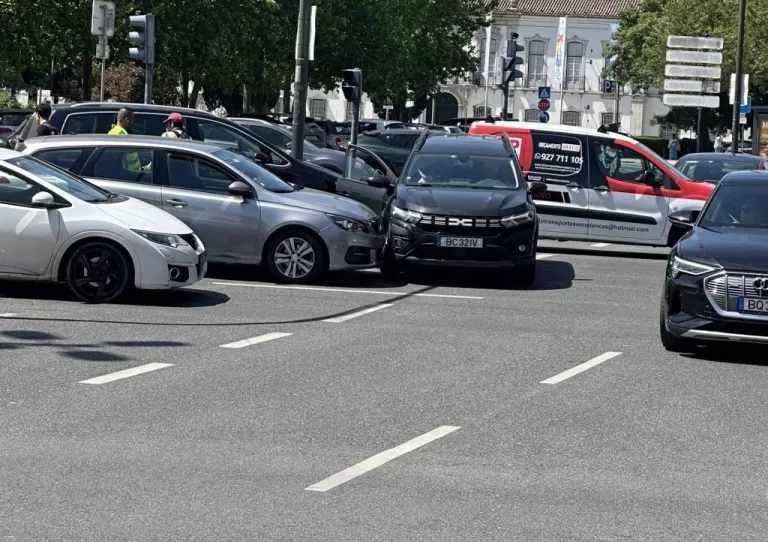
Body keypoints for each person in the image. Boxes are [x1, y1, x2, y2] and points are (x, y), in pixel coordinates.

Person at [107, 108, 141, 172]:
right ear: (126, 120)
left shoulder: (114, 131)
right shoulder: (122, 135)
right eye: (131, 119)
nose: (132, 122)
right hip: (128, 174)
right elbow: (127, 158)